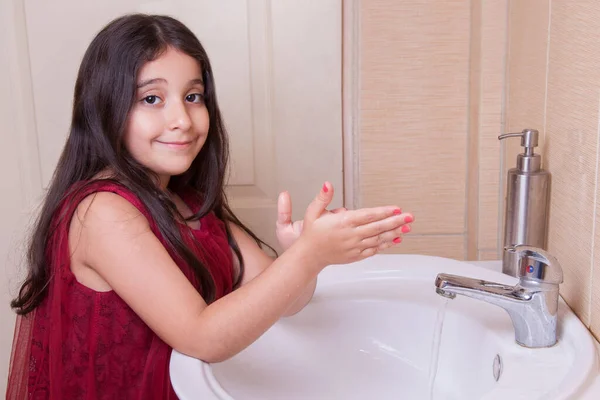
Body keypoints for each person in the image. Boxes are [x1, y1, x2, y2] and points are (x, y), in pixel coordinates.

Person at [6, 13, 414, 399]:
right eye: (151, 98)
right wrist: (308, 257)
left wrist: (302, 255)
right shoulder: (101, 213)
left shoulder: (188, 204)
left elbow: (288, 301)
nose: (181, 118)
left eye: (193, 96)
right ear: (105, 109)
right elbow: (203, 337)